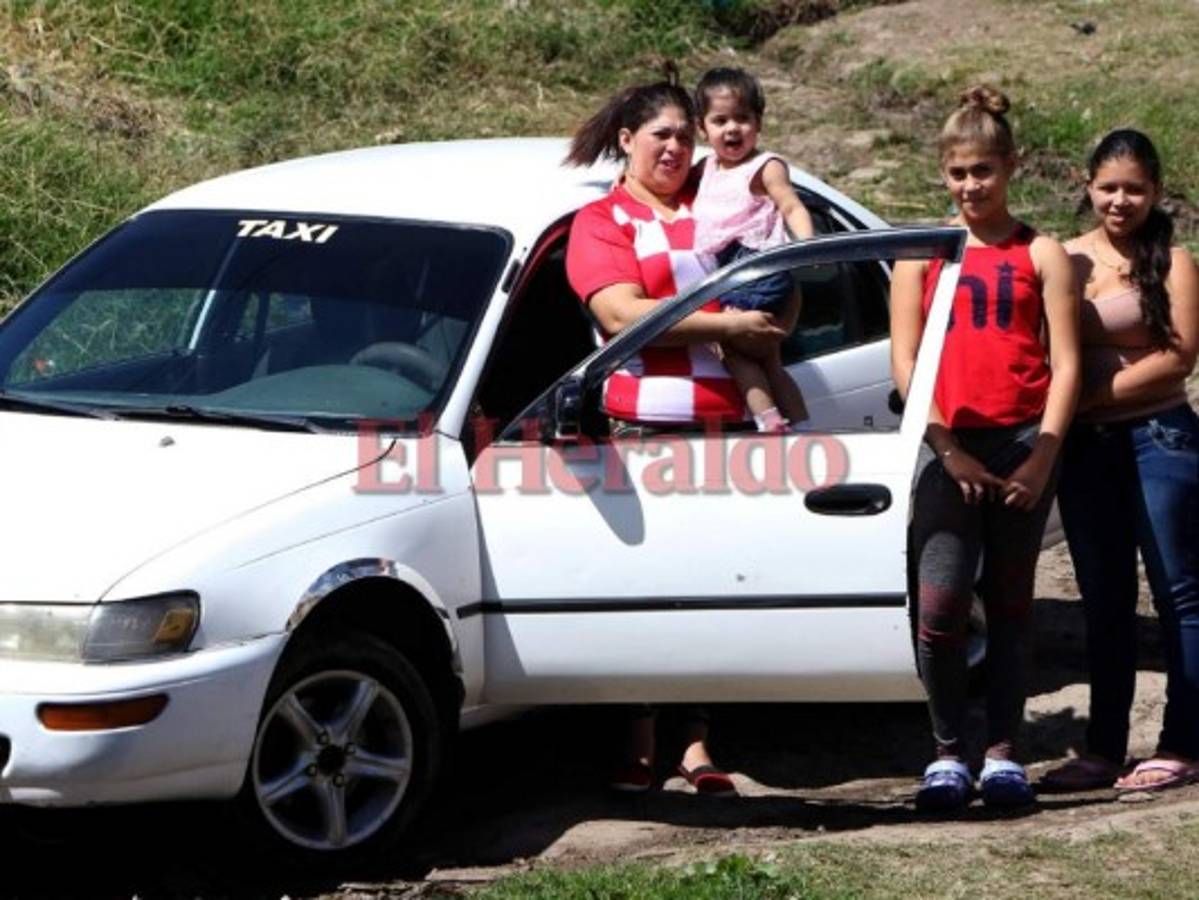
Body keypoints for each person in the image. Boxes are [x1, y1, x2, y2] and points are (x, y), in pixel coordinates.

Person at [564, 71, 787, 796]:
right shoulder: (602, 223)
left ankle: (694, 747)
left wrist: (774, 312)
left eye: (682, 137)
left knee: (709, 585)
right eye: (660, 134)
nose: (674, 148)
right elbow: (624, 314)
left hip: (725, 424)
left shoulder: (714, 197)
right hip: (638, 429)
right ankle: (635, 744)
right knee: (644, 589)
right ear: (625, 141)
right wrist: (727, 325)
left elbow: (775, 261)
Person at [890, 86, 1080, 811]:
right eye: (957, 173)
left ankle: (1002, 752)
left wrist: (1040, 458)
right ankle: (945, 752)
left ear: (1010, 167)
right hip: (946, 449)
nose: (970, 186)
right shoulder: (921, 255)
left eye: (983, 171)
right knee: (937, 611)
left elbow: (1063, 365)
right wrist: (946, 448)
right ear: (942, 173)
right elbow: (905, 366)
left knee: (1009, 607)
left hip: (1022, 445)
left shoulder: (1041, 252)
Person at [1040, 130, 1199, 794]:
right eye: (1108, 186)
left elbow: (1178, 356)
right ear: (1086, 185)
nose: (1120, 199)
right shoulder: (1065, 259)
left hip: (1158, 438)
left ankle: (1183, 745)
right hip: (1084, 451)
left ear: (1154, 191)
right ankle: (1102, 750)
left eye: (1134, 188)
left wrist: (1087, 395)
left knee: (1179, 595)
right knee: (1102, 601)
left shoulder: (1172, 260)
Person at [692, 66, 815, 432]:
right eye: (720, 120)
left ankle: (768, 420)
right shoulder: (708, 167)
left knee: (733, 348)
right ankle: (804, 428)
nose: (732, 129)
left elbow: (791, 206)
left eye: (742, 119)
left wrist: (806, 247)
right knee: (770, 360)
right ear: (703, 128)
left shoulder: (765, 166)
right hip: (733, 269)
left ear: (758, 123)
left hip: (757, 264)